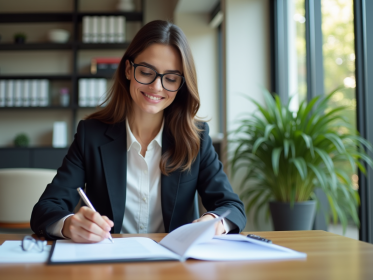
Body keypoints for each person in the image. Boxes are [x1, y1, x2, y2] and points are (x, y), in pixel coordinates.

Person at [31, 20, 246, 242]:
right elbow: (46, 208)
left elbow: (231, 207)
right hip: (110, 266)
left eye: (171, 78)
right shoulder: (91, 135)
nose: (156, 87)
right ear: (128, 69)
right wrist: (69, 225)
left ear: (181, 85)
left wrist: (214, 222)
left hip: (175, 267)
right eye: (146, 72)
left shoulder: (196, 137)